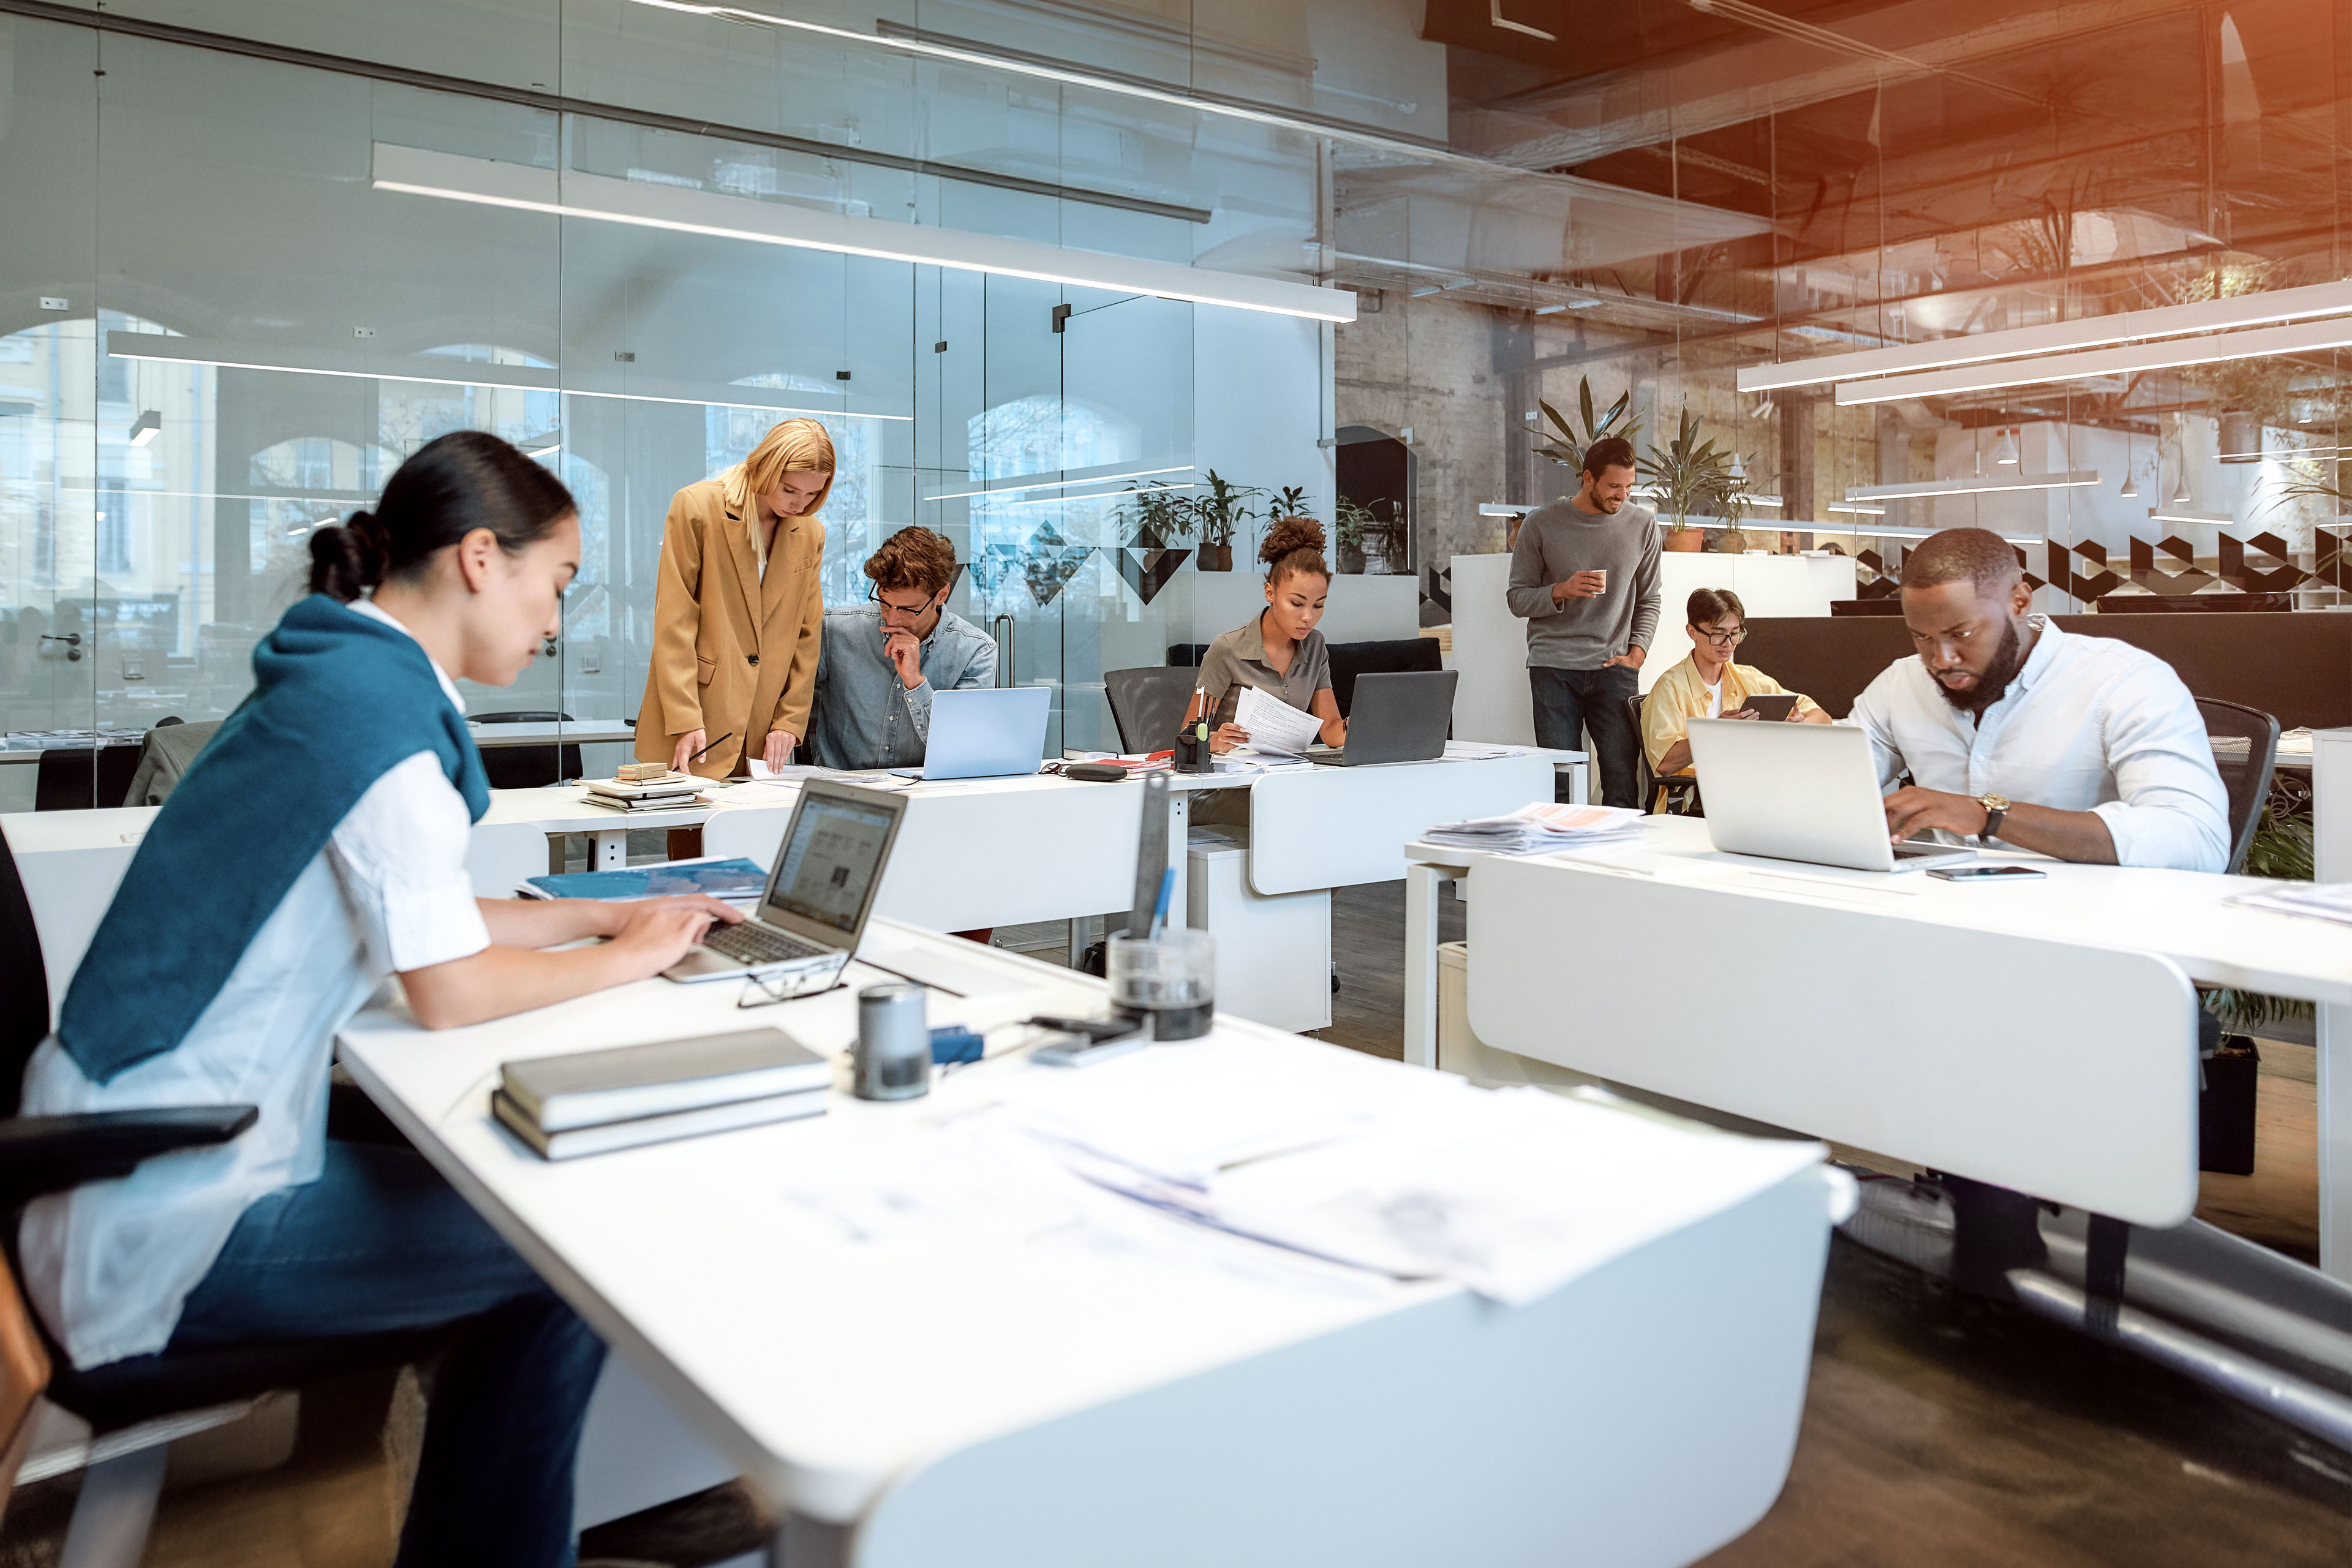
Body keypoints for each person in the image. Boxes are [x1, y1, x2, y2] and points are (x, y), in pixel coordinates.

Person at [21, 432, 745, 1568]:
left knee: (527, 1214)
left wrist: (600, 913)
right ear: (478, 561)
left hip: (118, 1164)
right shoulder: (383, 729)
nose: (557, 621)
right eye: (556, 583)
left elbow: (425, 918)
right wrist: (632, 959)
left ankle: (525, 1515)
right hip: (171, 1214)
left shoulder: (337, 684)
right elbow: (449, 988)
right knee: (573, 1255)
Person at [1853, 526, 2230, 870]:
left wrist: (1990, 816)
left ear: (2019, 602)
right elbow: (1828, 788)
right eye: (1922, 637)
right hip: (1937, 908)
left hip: (2084, 917)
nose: (1941, 659)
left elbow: (2196, 840)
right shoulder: (1900, 684)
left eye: (1962, 634)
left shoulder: (2125, 681)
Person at [635, 417, 834, 780]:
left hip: (763, 727)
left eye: (813, 495)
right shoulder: (697, 507)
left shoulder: (810, 532)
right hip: (698, 715)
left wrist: (790, 720)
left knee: (752, 836)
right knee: (694, 835)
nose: (801, 504)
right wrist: (684, 716)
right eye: (790, 490)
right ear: (767, 467)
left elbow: (808, 635)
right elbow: (674, 622)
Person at [1506, 434, 1662, 805]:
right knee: (1560, 783)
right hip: (1553, 667)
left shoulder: (1643, 525)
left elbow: (1650, 598)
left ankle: (1614, 861)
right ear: (1588, 478)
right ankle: (1563, 859)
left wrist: (1636, 654)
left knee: (1622, 782)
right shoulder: (1540, 524)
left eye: (1629, 487)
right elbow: (1516, 598)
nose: (1622, 496)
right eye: (1613, 486)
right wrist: (1560, 590)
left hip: (1615, 669)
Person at [807, 526, 996, 771]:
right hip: (841, 790)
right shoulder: (836, 630)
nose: (892, 619)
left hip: (925, 795)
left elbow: (961, 746)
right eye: (885, 604)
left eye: (908, 609)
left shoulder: (975, 651)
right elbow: (788, 696)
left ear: (941, 595)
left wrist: (915, 682)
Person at [1642, 586, 1829, 782]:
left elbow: (1822, 716)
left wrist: (1803, 725)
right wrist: (1716, 733)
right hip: (1695, 796)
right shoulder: (1670, 687)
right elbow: (1664, 763)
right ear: (1692, 632)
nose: (1728, 643)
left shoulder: (1749, 678)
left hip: (1752, 784)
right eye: (1718, 634)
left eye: (1735, 633)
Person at [1198, 516, 1348, 756]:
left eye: (1318, 605)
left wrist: (1361, 723)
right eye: (1297, 603)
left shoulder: (1315, 645)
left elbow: (1330, 731)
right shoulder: (1227, 648)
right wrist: (1214, 740)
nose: (1308, 617)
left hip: (1287, 778)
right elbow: (1189, 734)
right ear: (1270, 592)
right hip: (1231, 783)